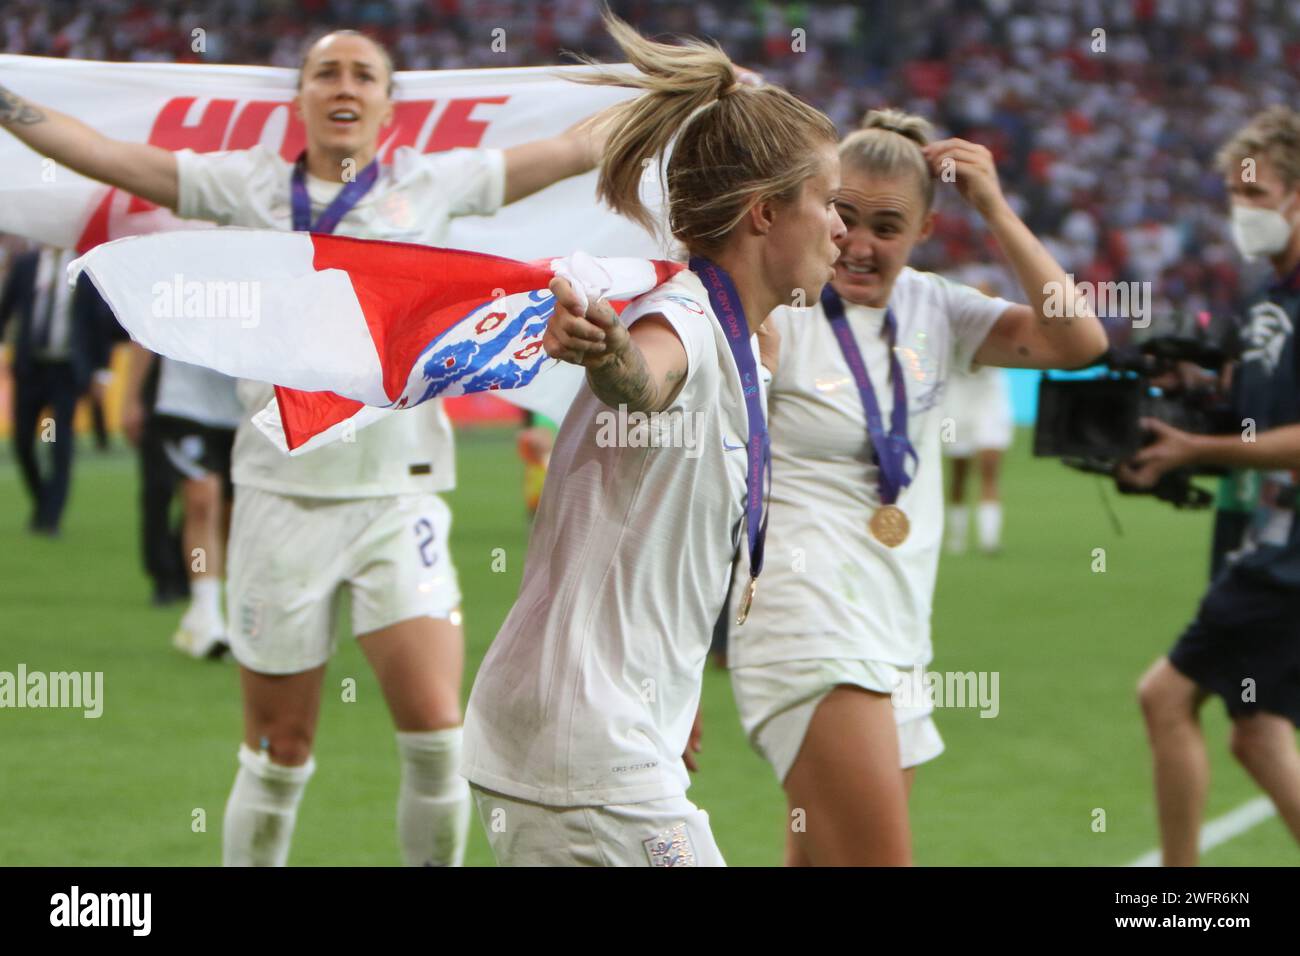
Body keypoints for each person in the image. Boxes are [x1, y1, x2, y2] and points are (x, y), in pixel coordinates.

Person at [0, 28, 612, 866]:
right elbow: (107, 156)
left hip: (399, 499)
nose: (344, 86)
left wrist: (682, 96)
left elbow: (577, 147)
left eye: (364, 74)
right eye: (326, 73)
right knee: (278, 750)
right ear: (302, 102)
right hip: (279, 500)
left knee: (438, 737)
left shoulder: (430, 185)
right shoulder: (244, 185)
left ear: (390, 106)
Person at [461, 12, 844, 867]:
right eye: (828, 203)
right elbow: (649, 375)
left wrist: (668, 687)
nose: (840, 229)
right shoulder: (682, 319)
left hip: (584, 725)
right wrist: (611, 356)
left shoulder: (739, 334)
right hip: (586, 744)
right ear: (761, 215)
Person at [725, 109, 1108, 866]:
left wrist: (995, 208)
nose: (860, 246)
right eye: (844, 217)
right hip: (807, 624)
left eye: (888, 226)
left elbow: (1079, 340)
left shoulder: (935, 307)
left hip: (895, 629)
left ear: (926, 231)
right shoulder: (781, 305)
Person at [1127, 105, 1300, 866]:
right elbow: (1255, 418)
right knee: (1259, 735)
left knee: (1163, 697)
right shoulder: (1268, 301)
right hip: (1253, 540)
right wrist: (1194, 396)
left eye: (1255, 194)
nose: (1241, 211)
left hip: (1287, 555)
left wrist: (1196, 444)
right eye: (1235, 193)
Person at [121, 346, 240, 657]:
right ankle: (206, 610)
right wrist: (132, 397)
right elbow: (144, 329)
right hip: (183, 406)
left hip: (241, 408)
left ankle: (218, 609)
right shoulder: (174, 295)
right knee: (203, 499)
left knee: (232, 514)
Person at [0, 245, 113, 535]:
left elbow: (98, 322)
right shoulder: (27, 264)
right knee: (23, 441)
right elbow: (6, 308)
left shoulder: (85, 267)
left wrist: (102, 371)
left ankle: (50, 518)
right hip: (30, 369)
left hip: (65, 371)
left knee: (57, 443)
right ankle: (44, 499)